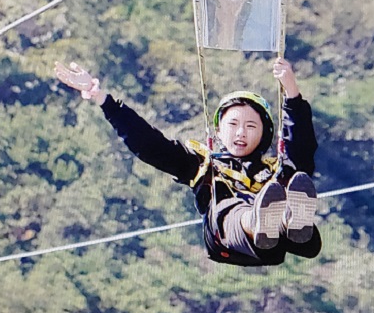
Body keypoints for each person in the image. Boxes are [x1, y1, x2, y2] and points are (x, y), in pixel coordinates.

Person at [54, 57, 322, 267]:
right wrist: (103, 99)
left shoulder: (273, 170)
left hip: (275, 247)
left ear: (264, 135)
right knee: (229, 205)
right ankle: (258, 221)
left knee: (292, 180)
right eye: (233, 125)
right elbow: (149, 144)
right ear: (219, 132)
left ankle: (291, 224)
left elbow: (301, 146)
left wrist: (292, 94)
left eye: (251, 126)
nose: (241, 133)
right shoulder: (202, 165)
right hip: (227, 239)